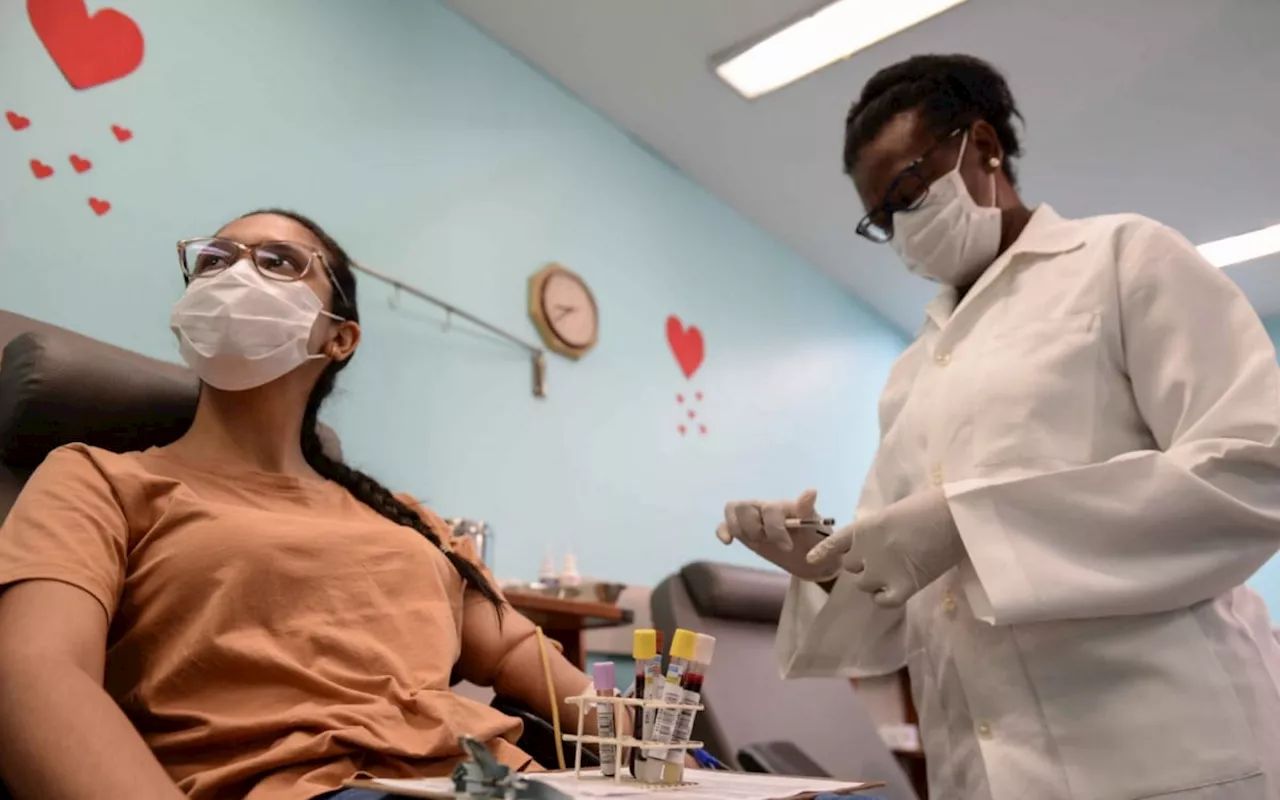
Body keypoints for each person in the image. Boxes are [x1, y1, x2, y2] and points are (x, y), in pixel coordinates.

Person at [719, 55, 1280, 800]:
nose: (901, 227)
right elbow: (898, 599)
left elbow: (1253, 468)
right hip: (980, 771)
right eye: (881, 217)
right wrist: (822, 565)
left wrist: (972, 525)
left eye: (909, 191)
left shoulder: (1121, 259)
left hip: (1164, 757)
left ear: (982, 146)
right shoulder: (911, 373)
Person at [0, 210, 617, 800]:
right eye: (213, 260)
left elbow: (515, 652)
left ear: (340, 338)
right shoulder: (99, 480)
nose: (235, 275)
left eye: (278, 261)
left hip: (495, 779)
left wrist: (658, 747)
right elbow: (34, 678)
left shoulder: (404, 519)